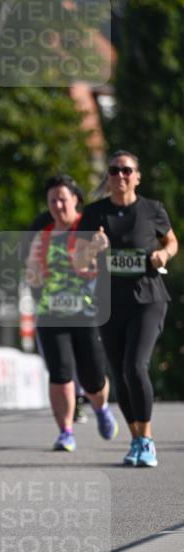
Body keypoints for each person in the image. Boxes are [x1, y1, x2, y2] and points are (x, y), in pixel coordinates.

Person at [74, 150, 178, 467]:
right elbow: (79, 263)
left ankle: (147, 440)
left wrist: (164, 255)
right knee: (119, 374)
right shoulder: (94, 214)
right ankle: (135, 439)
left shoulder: (152, 210)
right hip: (109, 302)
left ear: (137, 176)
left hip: (148, 299)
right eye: (114, 170)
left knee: (135, 366)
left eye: (126, 170)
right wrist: (95, 247)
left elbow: (171, 242)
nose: (120, 176)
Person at [25, 175, 118, 452]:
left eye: (62, 198)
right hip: (51, 313)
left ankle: (101, 409)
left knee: (92, 377)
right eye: (52, 200)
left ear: (76, 199)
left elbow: (106, 261)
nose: (57, 204)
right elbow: (33, 274)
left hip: (87, 312)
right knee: (60, 373)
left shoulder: (89, 226)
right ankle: (65, 431)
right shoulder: (42, 234)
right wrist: (33, 273)